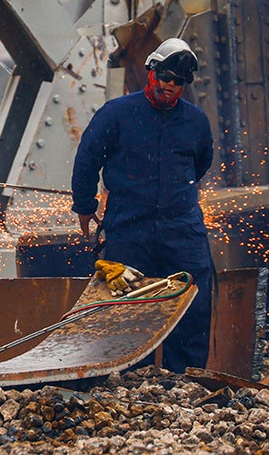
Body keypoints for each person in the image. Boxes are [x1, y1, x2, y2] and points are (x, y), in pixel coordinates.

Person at [70, 38, 215, 373]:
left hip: (182, 232)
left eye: (177, 81)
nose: (169, 85)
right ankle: (131, 379)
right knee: (128, 308)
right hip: (129, 229)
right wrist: (84, 205)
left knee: (190, 305)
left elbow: (201, 163)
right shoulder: (116, 114)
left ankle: (185, 381)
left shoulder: (195, 122)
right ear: (151, 72)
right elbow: (88, 159)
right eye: (164, 76)